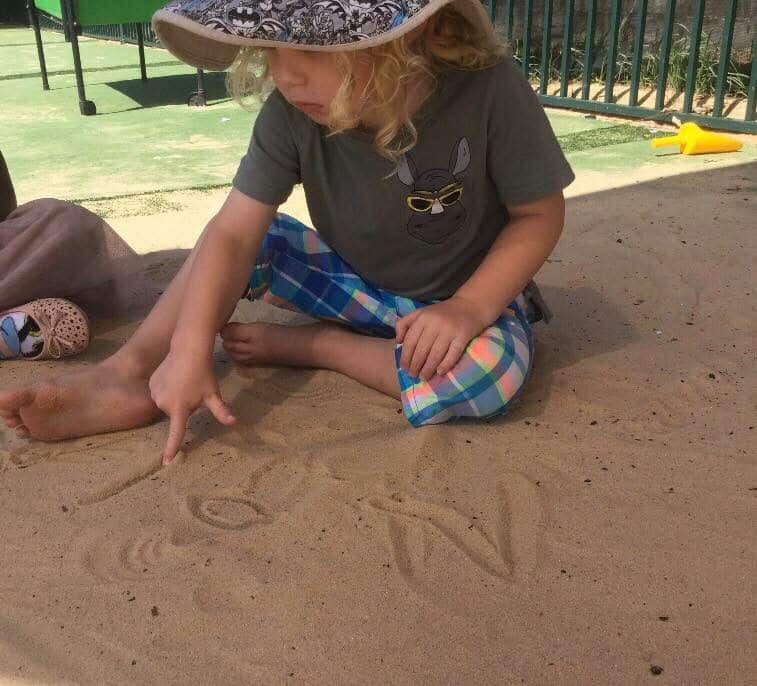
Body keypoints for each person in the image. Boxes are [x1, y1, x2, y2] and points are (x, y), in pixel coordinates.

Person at [0, 0, 574, 463]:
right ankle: (125, 373)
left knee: (486, 379)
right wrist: (191, 347)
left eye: (312, 46)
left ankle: (317, 347)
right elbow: (232, 234)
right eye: (272, 45)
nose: (285, 71)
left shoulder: (489, 90)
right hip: (357, 285)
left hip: (464, 301)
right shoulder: (292, 113)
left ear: (407, 38)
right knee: (249, 238)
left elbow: (538, 216)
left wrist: (469, 308)